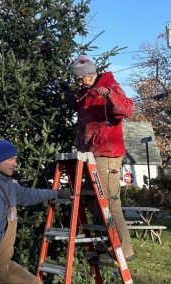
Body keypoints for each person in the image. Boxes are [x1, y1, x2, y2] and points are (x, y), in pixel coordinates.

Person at [60, 55, 135, 260]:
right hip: (89, 153)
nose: (78, 82)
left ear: (90, 74)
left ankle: (125, 250)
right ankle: (105, 246)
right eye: (76, 79)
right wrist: (68, 94)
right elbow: (78, 107)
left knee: (110, 201)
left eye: (80, 78)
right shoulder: (86, 92)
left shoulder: (109, 85)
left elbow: (127, 109)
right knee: (95, 202)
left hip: (107, 153)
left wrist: (109, 94)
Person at [0, 139, 71, 284]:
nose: (15, 164)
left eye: (15, 159)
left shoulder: (6, 185)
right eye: (11, 159)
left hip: (4, 263)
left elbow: (30, 195)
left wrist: (57, 194)